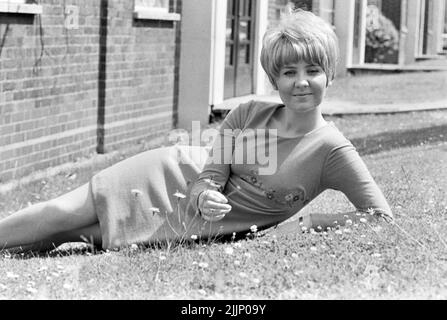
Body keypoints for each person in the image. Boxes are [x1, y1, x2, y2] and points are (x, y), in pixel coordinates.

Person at [0, 9, 392, 253]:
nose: (301, 82)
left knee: (70, 236)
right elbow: (209, 177)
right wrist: (205, 196)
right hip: (163, 177)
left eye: (312, 71)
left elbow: (380, 217)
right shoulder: (249, 113)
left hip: (187, 225)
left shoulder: (333, 151)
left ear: (330, 75)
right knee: (60, 213)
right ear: (275, 78)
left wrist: (310, 223)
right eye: (289, 72)